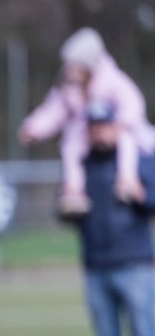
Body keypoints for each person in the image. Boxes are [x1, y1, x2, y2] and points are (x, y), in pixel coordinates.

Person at [61, 100, 155, 336]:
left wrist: (139, 195)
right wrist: (69, 206)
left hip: (135, 264)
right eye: (94, 125)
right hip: (96, 265)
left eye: (105, 124)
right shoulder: (80, 165)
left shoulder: (138, 162)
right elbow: (68, 211)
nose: (99, 131)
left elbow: (152, 202)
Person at [19, 28, 155, 216]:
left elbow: (133, 102)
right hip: (85, 133)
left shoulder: (112, 80)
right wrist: (34, 128)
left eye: (75, 66)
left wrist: (120, 125)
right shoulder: (69, 86)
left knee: (127, 142)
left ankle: (127, 180)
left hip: (119, 130)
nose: (70, 70)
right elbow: (53, 111)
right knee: (70, 147)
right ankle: (74, 191)